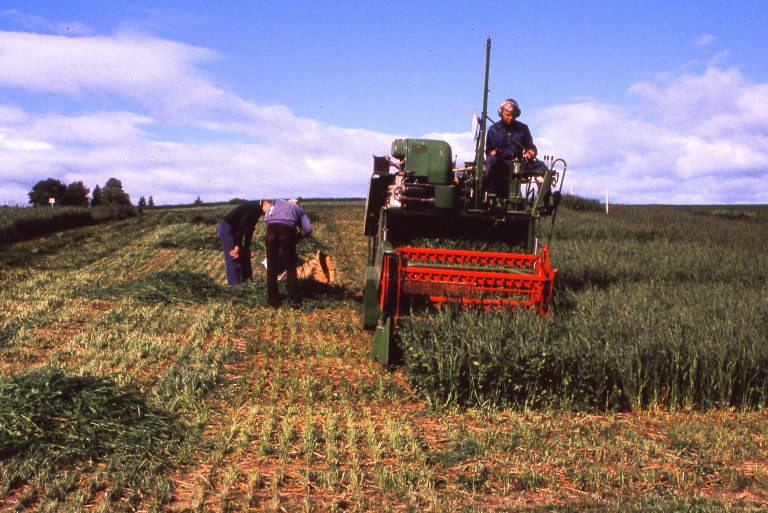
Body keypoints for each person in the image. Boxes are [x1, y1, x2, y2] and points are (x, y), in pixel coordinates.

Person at [262, 198, 313, 308]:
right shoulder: (297, 208)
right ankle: (294, 300)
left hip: (270, 232)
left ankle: (273, 301)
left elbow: (267, 218)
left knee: (271, 267)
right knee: (290, 266)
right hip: (287, 232)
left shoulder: (276, 202)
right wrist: (298, 237)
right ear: (296, 203)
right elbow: (308, 229)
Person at [485, 98, 540, 199]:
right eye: (507, 115)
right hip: (500, 163)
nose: (510, 118)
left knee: (542, 168)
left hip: (519, 163)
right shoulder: (493, 129)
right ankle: (488, 193)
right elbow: (488, 150)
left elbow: (531, 147)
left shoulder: (523, 129)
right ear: (501, 113)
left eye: (513, 115)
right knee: (490, 162)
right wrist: (491, 153)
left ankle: (543, 202)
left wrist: (531, 151)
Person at [217, 200, 263, 285]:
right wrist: (237, 246)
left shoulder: (258, 210)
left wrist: (247, 249)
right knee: (234, 256)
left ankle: (247, 283)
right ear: (266, 203)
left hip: (236, 230)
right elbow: (242, 227)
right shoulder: (252, 208)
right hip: (227, 228)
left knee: (245, 256)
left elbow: (250, 230)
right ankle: (235, 286)